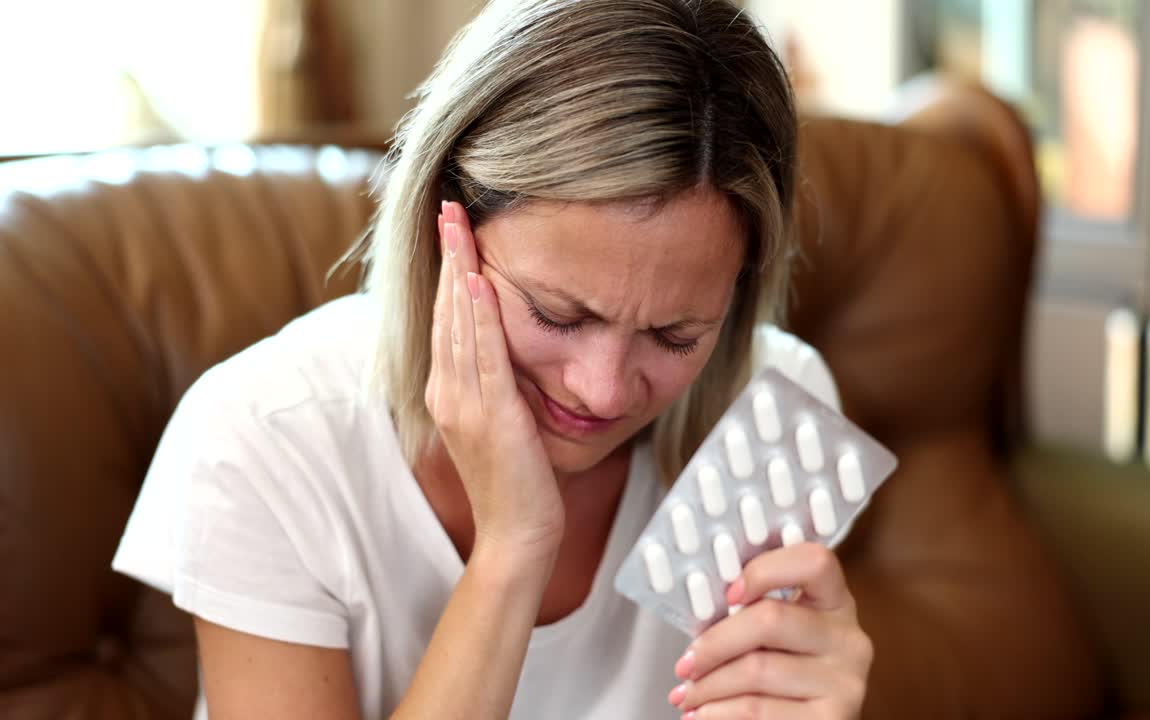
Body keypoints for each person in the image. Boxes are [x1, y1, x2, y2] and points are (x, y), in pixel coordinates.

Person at [113, 0, 872, 717]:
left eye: (676, 335)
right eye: (557, 313)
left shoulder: (771, 414)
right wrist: (513, 550)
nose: (602, 390)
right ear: (447, 224)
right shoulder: (267, 440)